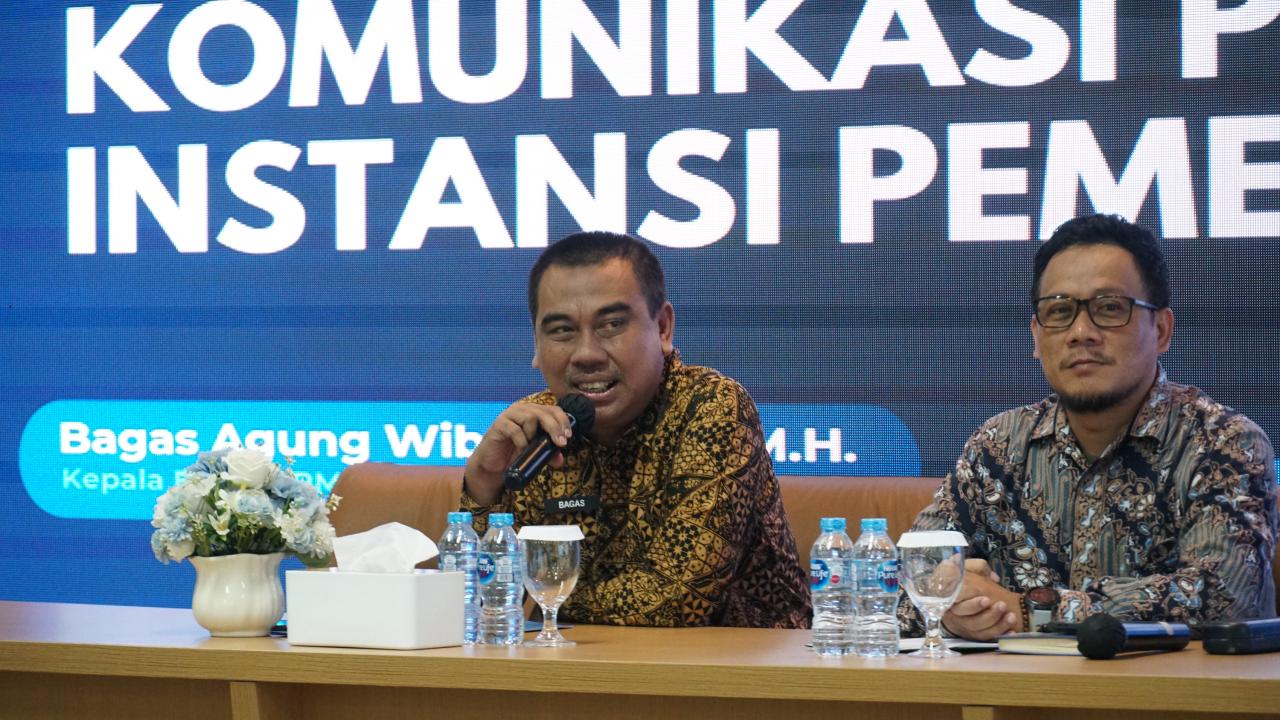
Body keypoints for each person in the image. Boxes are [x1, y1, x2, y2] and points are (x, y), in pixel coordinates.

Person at [904, 214, 1278, 640]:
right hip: (1021, 685)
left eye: (1109, 308)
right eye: (1059, 311)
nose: (1081, 332)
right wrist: (947, 604)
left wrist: (1034, 611)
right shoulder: (1000, 445)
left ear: (1161, 330)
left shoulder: (1222, 444)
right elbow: (904, 576)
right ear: (1036, 336)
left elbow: (1224, 597)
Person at [459, 230, 810, 628]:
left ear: (663, 328)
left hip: (743, 660)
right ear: (536, 344)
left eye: (611, 325)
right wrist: (484, 484)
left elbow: (677, 600)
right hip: (579, 660)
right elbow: (480, 600)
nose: (586, 354)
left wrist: (548, 598)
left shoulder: (711, 406)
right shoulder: (537, 429)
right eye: (562, 331)